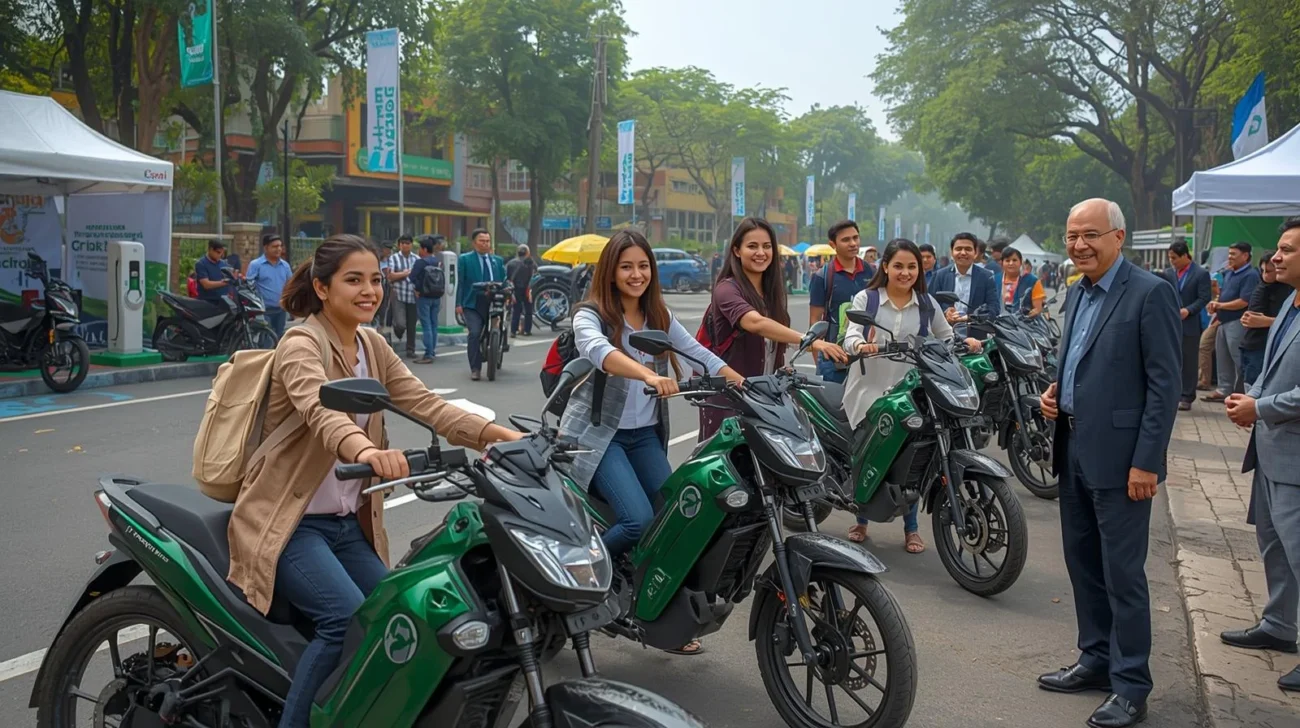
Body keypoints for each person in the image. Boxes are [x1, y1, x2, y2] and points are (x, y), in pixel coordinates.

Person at [225, 235, 521, 727]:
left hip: (347, 528)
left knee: (399, 622)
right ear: (321, 288)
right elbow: (320, 408)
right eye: (354, 280)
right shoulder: (301, 342)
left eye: (376, 280)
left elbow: (426, 404)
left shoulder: (371, 344)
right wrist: (367, 451)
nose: (370, 290)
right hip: (290, 525)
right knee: (343, 622)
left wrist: (501, 437)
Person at [560, 229, 742, 656]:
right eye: (626, 266)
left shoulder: (658, 314)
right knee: (638, 522)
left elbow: (698, 352)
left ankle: (661, 617)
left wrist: (744, 385)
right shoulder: (591, 315)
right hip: (598, 438)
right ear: (610, 271)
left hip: (644, 437)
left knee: (677, 516)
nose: (636, 274)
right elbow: (598, 352)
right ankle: (570, 575)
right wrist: (646, 374)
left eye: (643, 266)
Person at [1038, 199, 1180, 728]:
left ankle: (1130, 685)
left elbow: (1165, 388)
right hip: (1072, 446)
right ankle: (1095, 660)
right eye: (1073, 235)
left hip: (1124, 464)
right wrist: (1058, 393)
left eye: (1091, 235)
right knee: (1083, 566)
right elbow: (1083, 362)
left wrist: (1148, 463)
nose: (1080, 245)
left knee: (1123, 575)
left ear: (1119, 237)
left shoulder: (1150, 293)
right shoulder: (1077, 292)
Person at [841, 238, 982, 551]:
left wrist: (964, 343)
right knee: (868, 455)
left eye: (911, 266)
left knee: (912, 460)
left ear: (919, 269)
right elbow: (851, 334)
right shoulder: (867, 299)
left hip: (910, 393)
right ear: (886, 268)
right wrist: (860, 345)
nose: (905, 273)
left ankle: (912, 528)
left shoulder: (927, 303)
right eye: (898, 266)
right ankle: (861, 520)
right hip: (869, 391)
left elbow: (945, 337)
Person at [1219, 216, 1300, 693]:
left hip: (1293, 455)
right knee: (1274, 546)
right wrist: (1250, 395)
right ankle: (1279, 625)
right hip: (1271, 449)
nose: (1278, 257)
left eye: (1288, 249)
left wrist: (1261, 406)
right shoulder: (1288, 302)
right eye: (1279, 248)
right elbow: (1274, 369)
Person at [699, 217, 846, 440]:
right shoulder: (726, 290)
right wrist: (811, 341)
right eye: (752, 246)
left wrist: (781, 370)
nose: (761, 252)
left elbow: (770, 346)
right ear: (737, 251)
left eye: (766, 246)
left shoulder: (772, 293)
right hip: (729, 398)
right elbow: (755, 323)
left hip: (764, 399)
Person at [808, 220, 874, 383]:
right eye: (846, 240)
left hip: (867, 355)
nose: (853, 243)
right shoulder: (822, 277)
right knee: (834, 406)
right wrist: (820, 362)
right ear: (833, 244)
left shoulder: (872, 273)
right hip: (834, 358)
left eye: (855, 238)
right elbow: (815, 321)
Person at [1205, 242, 1261, 401]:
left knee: (1238, 358)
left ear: (1245, 256)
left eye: (1233, 254)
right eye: (1229, 254)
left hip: (1237, 321)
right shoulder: (1230, 273)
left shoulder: (1250, 275)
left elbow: (1244, 301)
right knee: (1223, 357)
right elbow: (1224, 294)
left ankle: (1242, 391)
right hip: (1223, 320)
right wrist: (1216, 302)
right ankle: (1224, 389)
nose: (1230, 257)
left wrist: (1220, 305)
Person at [1163, 241, 1213, 411]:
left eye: (1175, 258)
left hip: (1190, 324)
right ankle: (1172, 393)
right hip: (1171, 323)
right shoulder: (1169, 273)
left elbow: (1204, 297)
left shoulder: (1200, 274)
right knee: (1171, 359)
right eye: (1170, 258)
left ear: (1185, 256)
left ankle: (1187, 396)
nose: (1172, 262)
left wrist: (1188, 310)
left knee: (1189, 361)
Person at [456, 228, 507, 380]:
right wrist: (458, 303)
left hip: (494, 301)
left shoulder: (497, 260)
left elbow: (504, 280)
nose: (485, 244)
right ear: (474, 243)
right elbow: (461, 282)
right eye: (482, 241)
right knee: (475, 333)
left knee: (498, 327)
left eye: (487, 241)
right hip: (472, 302)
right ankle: (475, 368)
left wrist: (509, 291)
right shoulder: (465, 259)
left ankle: (497, 350)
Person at [1239, 254, 1293, 389]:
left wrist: (1268, 321)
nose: (1265, 275)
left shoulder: (1287, 290)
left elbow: (1292, 321)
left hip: (1265, 346)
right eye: (1262, 271)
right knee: (1247, 385)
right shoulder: (1262, 285)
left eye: (1268, 271)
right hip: (1250, 343)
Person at [930, 233, 1001, 330]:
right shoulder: (940, 275)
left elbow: (994, 309)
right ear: (952, 252)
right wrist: (945, 313)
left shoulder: (986, 277)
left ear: (975, 252)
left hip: (975, 333)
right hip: (944, 332)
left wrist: (969, 317)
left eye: (968, 249)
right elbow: (929, 305)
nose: (963, 253)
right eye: (958, 249)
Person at [247, 234, 294, 338]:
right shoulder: (256, 265)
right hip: (264, 311)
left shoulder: (285, 265)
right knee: (267, 339)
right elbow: (249, 286)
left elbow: (290, 285)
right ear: (266, 248)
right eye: (274, 246)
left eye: (280, 246)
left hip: (281, 310)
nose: (278, 249)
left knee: (279, 338)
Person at [409, 235, 445, 363]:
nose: (419, 251)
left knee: (426, 325)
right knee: (434, 324)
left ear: (424, 249)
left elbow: (412, 277)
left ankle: (428, 353)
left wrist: (417, 289)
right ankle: (432, 350)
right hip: (436, 296)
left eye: (420, 248)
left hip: (423, 296)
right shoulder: (437, 261)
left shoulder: (420, 262)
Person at [385, 234, 420, 358]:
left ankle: (411, 349)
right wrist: (406, 273)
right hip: (398, 294)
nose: (405, 245)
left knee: (412, 325)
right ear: (399, 245)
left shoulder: (416, 259)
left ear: (411, 244)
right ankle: (398, 331)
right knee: (401, 323)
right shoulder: (394, 258)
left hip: (413, 295)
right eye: (403, 243)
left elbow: (419, 276)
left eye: (408, 243)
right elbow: (391, 276)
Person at [999, 246, 1047, 315]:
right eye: (1007, 260)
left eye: (1014, 260)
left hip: (1024, 323)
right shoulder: (994, 280)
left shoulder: (1032, 281)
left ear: (1020, 262)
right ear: (1002, 263)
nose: (1011, 263)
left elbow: (1037, 309)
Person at [506, 243, 538, 337]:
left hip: (515, 289)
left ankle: (513, 330)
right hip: (527, 289)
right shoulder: (531, 262)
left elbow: (508, 278)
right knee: (528, 310)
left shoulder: (511, 263)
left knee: (516, 310)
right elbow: (535, 275)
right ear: (527, 252)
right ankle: (527, 330)